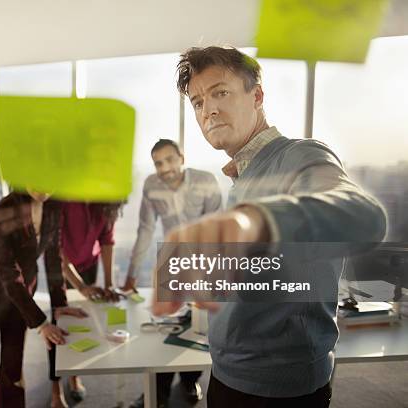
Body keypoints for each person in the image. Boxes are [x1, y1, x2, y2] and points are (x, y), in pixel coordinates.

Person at [152, 46, 387, 407]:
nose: (208, 110)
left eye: (221, 92)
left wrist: (252, 222)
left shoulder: (302, 155)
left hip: (280, 392)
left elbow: (362, 217)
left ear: (257, 95)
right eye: (198, 102)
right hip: (228, 376)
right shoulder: (242, 175)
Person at [0, 190, 87, 408]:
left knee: (13, 364)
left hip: (21, 294)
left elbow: (53, 255)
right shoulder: (1, 213)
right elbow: (9, 273)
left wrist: (60, 305)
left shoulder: (54, 205)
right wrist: (41, 324)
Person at [122, 139, 222, 407]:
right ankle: (157, 393)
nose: (164, 168)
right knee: (163, 330)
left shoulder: (206, 181)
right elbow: (145, 228)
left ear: (181, 157)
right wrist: (131, 273)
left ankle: (190, 382)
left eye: (169, 159)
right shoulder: (151, 186)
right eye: (158, 163)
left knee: (199, 329)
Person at [52, 201, 123, 402]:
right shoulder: (65, 199)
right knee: (57, 328)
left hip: (88, 264)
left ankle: (74, 377)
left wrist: (109, 284)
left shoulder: (108, 201)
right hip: (58, 266)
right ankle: (55, 391)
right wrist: (80, 286)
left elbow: (107, 240)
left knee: (80, 321)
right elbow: (55, 247)